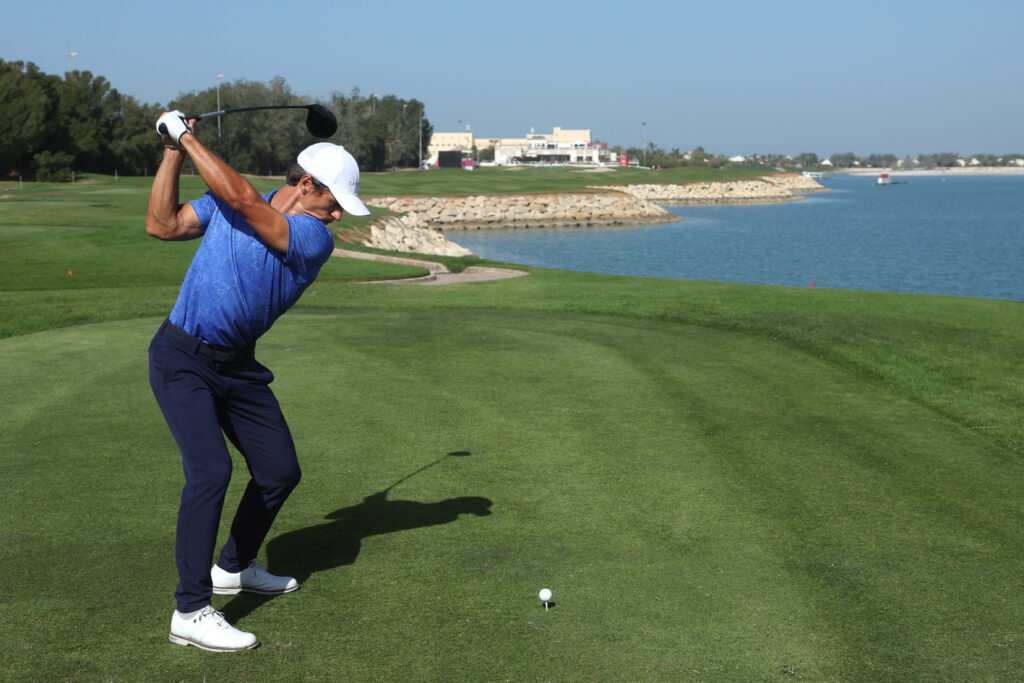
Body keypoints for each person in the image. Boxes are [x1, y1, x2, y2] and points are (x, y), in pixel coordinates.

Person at [146, 110, 370, 652]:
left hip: (237, 366)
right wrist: (173, 150)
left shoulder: (314, 237)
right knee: (211, 472)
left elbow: (245, 203)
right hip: (182, 356)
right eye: (333, 200)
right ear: (307, 183)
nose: (339, 213)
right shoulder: (236, 200)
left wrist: (185, 134)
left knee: (278, 471)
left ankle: (233, 567)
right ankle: (191, 610)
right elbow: (163, 224)